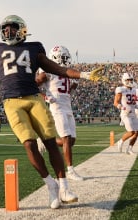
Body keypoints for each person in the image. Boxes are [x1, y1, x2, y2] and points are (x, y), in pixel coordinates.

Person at [0, 15, 105, 209]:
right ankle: (51, 186)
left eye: (12, 28)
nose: (8, 32)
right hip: (11, 102)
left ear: (22, 30)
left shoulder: (34, 48)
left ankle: (64, 186)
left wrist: (85, 75)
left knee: (50, 141)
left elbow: (58, 69)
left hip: (34, 98)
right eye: (5, 29)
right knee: (29, 144)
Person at [36, 45, 84, 181]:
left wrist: (74, 84)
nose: (66, 59)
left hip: (67, 107)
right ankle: (70, 170)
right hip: (56, 107)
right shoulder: (47, 72)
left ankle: (45, 141)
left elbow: (69, 88)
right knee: (67, 138)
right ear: (55, 58)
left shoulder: (66, 71)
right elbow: (33, 85)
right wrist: (44, 96)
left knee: (71, 141)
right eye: (63, 57)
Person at [114, 72, 138, 155]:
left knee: (137, 133)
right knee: (131, 132)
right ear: (124, 80)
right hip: (125, 113)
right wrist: (122, 107)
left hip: (133, 113)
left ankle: (129, 149)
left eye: (131, 80)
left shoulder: (135, 90)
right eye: (128, 80)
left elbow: (135, 102)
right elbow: (116, 102)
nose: (130, 81)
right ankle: (120, 141)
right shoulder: (121, 89)